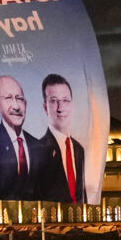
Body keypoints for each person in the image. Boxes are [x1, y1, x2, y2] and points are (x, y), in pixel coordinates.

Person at [26, 74, 91, 204]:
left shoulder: (79, 149)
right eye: (54, 101)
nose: (60, 108)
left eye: (65, 100)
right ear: (45, 107)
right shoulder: (36, 150)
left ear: (72, 105)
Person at [0, 75, 38, 200]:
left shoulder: (37, 144)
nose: (16, 106)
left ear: (25, 105)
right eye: (8, 98)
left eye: (19, 99)